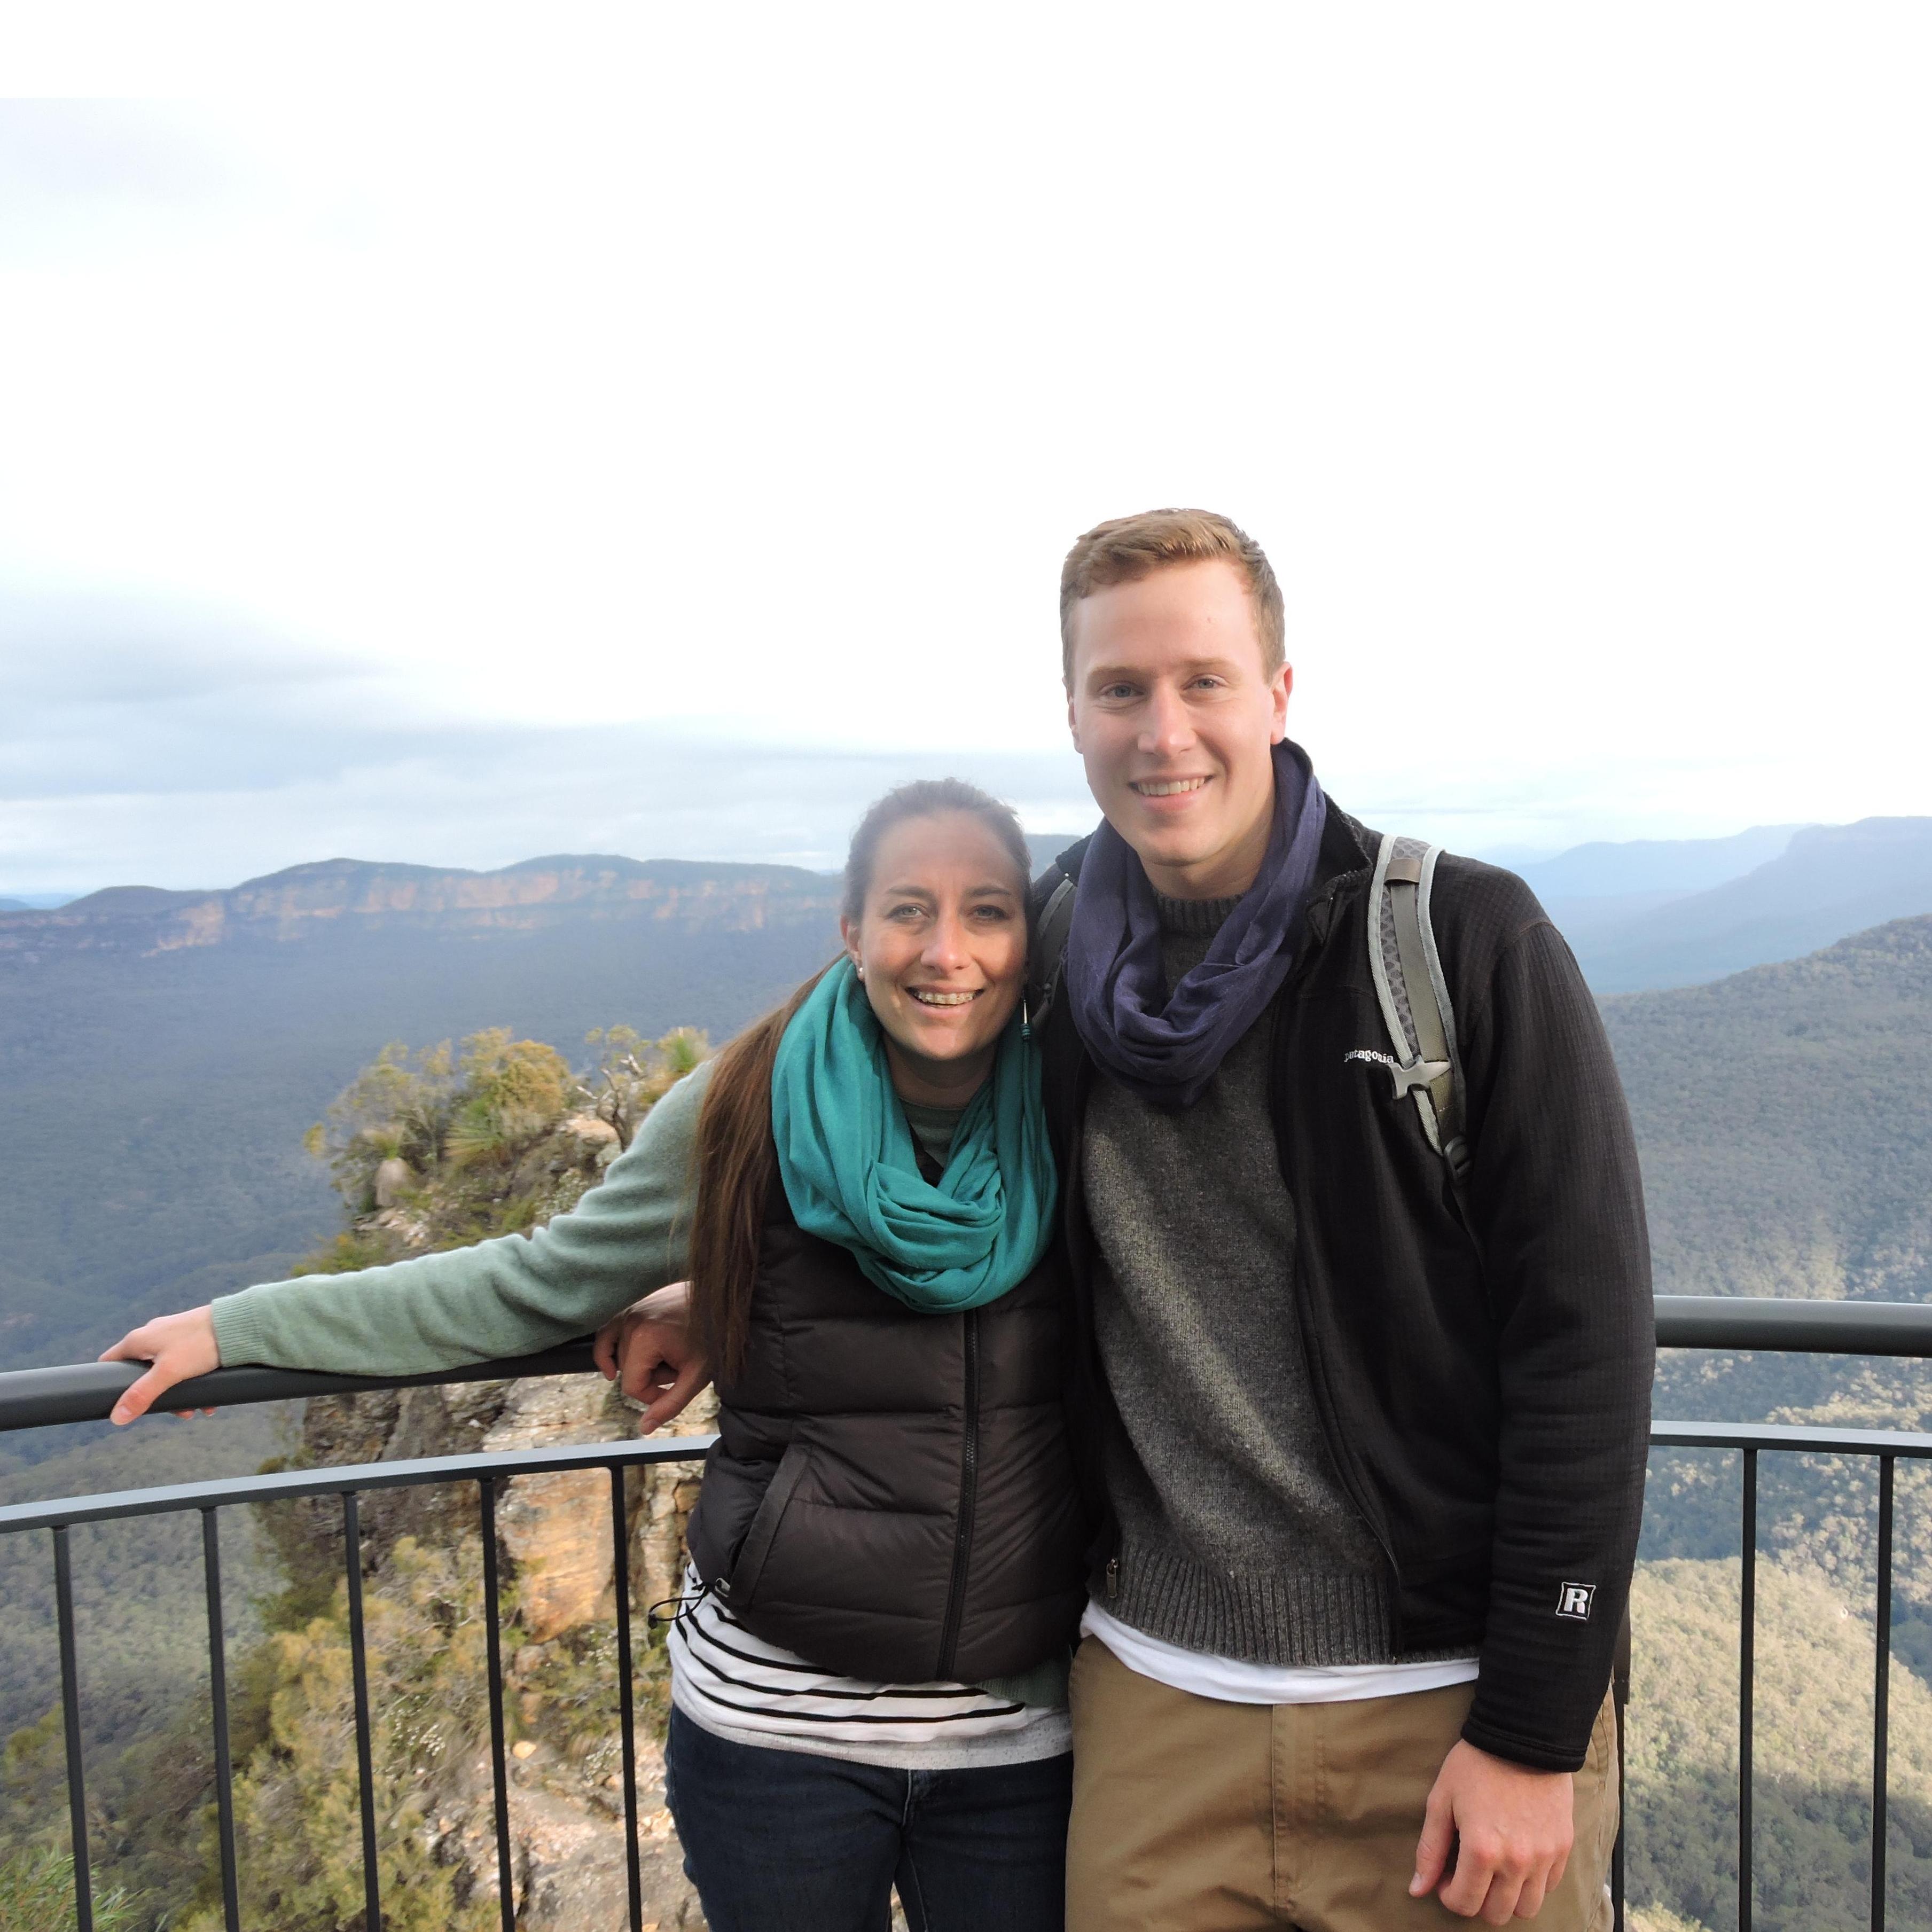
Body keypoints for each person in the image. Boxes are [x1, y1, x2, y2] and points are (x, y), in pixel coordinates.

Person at [614, 509, 1654, 1930]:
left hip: (1442, 1712)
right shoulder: (1042, 959)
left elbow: (1585, 1352)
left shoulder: (1455, 942)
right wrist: (723, 1288)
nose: (1164, 730)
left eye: (1203, 680)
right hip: (1152, 1714)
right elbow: (897, 1140)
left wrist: (1537, 1732)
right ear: (1074, 715)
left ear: (1278, 696)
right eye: (1121, 690)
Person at [103, 778, 1088, 1932]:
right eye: (908, 910)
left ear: (1030, 934)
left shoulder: (1077, 1099)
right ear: (851, 929)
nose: (946, 952)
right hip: (776, 1743)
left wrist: (716, 1309)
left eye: (986, 912)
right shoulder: (744, 1106)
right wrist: (242, 1327)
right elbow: (528, 1283)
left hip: (1020, 1744)